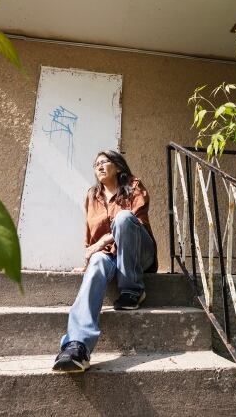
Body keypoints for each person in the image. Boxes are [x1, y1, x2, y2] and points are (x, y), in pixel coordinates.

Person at [52, 150, 157, 373]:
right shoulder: (92, 195)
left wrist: (101, 242)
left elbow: (134, 220)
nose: (99, 167)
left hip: (139, 253)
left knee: (123, 218)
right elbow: (90, 233)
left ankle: (132, 289)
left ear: (118, 166)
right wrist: (90, 257)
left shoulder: (133, 185)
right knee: (99, 261)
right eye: (96, 164)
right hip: (110, 256)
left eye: (104, 162)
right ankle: (77, 346)